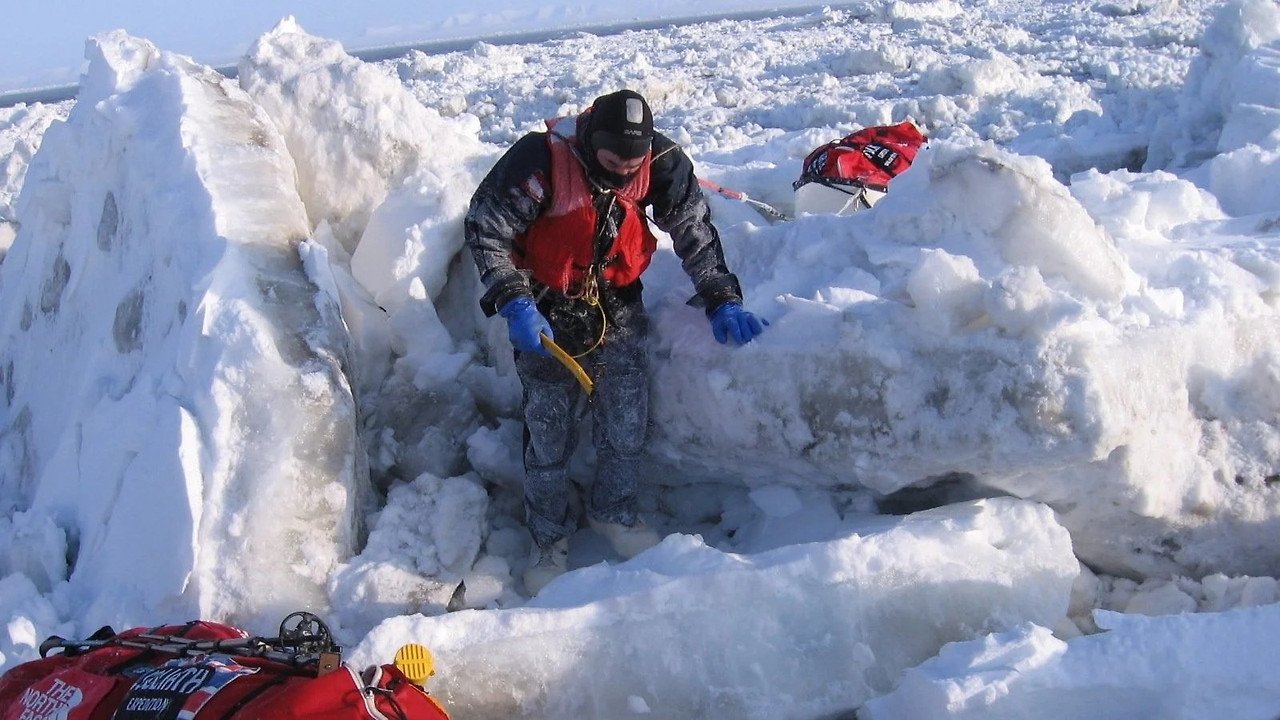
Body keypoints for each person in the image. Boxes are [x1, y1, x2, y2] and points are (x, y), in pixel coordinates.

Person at [464, 89, 765, 594]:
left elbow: (693, 230)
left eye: (633, 164)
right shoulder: (538, 162)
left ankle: (615, 513)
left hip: (617, 302)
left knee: (626, 418)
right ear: (588, 144)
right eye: (611, 162)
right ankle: (548, 538)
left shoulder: (661, 163)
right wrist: (515, 300)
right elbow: (485, 227)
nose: (624, 174)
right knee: (548, 430)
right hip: (544, 305)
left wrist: (720, 296)